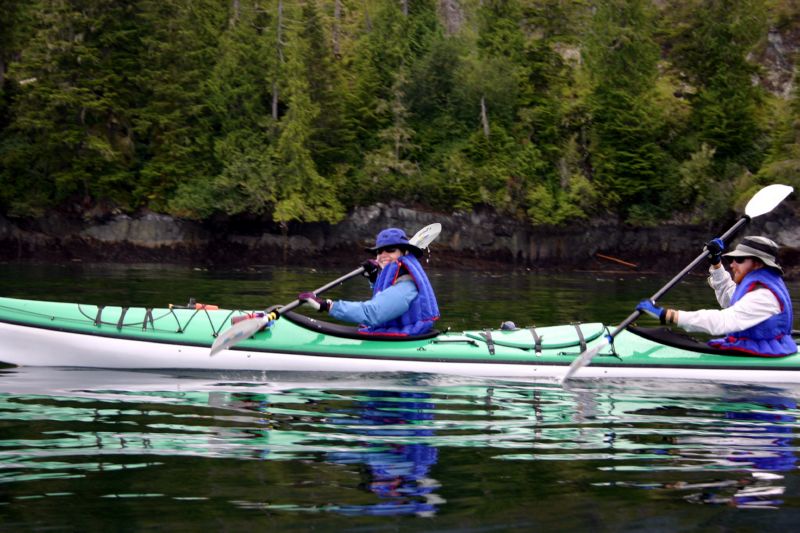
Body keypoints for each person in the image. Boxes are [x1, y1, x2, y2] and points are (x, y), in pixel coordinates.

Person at [636, 236, 797, 357]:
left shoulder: (764, 295)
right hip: (758, 347)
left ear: (758, 264)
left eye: (739, 259)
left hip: (763, 354)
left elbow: (722, 322)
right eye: (732, 259)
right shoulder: (760, 284)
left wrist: (668, 315)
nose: (732, 264)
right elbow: (730, 298)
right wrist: (716, 262)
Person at [298, 228, 440, 336]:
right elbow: (387, 296)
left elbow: (373, 314)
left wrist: (327, 306)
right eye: (379, 252)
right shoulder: (400, 280)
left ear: (404, 254)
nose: (382, 255)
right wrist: (374, 279)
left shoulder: (406, 286)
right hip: (398, 332)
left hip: (406, 336)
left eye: (390, 250)